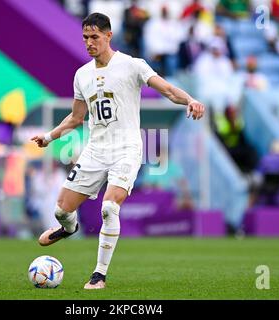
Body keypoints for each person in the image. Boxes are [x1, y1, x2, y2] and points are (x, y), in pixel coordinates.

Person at [31, 13, 205, 289]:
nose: (89, 43)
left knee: (110, 207)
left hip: (127, 148)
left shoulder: (132, 65)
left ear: (109, 36)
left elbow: (169, 90)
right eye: (85, 38)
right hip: (95, 150)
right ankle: (68, 228)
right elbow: (76, 118)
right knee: (61, 210)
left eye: (95, 37)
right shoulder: (82, 75)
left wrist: (190, 99)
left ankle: (99, 274)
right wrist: (50, 137)